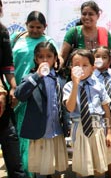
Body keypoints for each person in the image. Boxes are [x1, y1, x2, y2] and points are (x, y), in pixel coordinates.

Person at [11, 10, 58, 177]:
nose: (35, 30)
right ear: (26, 25)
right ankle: (23, 170)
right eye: (32, 27)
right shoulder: (16, 40)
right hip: (18, 89)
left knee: (31, 132)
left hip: (37, 93)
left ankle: (31, 171)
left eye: (39, 27)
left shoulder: (48, 42)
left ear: (45, 27)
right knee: (20, 133)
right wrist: (12, 88)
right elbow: (8, 64)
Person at [14, 41, 69, 177]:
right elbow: (20, 95)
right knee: (40, 169)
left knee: (53, 167)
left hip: (56, 131)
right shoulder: (30, 78)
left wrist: (66, 123)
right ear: (35, 59)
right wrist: (37, 76)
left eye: (49, 56)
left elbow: (64, 105)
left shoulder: (60, 79)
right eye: (41, 57)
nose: (45, 60)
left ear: (55, 58)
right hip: (40, 132)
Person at [63, 49, 111, 177]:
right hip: (79, 127)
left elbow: (107, 110)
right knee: (82, 166)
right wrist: (75, 84)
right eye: (76, 65)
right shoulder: (68, 86)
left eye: (85, 65)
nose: (81, 68)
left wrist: (109, 132)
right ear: (71, 67)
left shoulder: (99, 86)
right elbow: (70, 107)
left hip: (97, 128)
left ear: (92, 67)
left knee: (99, 165)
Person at [0, 0, 25, 177]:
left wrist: (13, 88)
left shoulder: (2, 31)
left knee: (10, 141)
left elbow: (8, 65)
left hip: (1, 98)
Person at [60, 0, 111, 68]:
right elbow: (62, 56)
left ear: (98, 16)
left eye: (90, 14)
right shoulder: (73, 32)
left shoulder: (104, 33)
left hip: (102, 76)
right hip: (78, 75)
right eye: (84, 14)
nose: (86, 17)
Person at [93, 46, 111, 178]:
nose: (101, 60)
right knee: (98, 149)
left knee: (110, 150)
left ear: (109, 61)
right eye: (97, 57)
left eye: (104, 57)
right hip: (95, 120)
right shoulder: (91, 78)